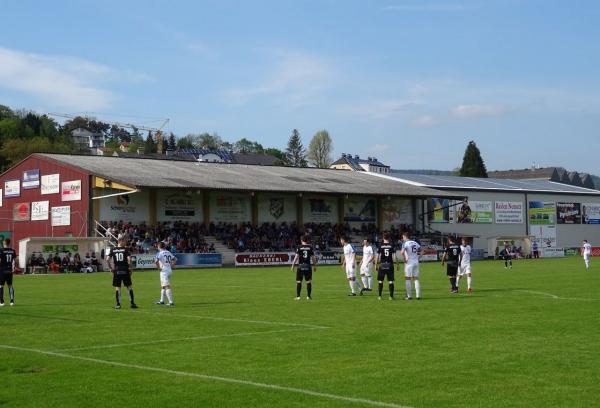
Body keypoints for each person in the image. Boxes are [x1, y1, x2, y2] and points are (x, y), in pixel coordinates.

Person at [106, 240, 137, 309]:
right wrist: (130, 268)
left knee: (118, 288)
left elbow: (107, 259)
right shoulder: (126, 249)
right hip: (125, 269)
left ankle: (118, 304)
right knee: (129, 287)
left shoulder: (112, 249)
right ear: (120, 241)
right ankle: (132, 303)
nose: (125, 243)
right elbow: (129, 259)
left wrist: (110, 268)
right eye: (124, 241)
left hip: (117, 270)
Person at [290, 235, 317, 300]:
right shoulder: (310, 247)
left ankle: (298, 296)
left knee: (299, 281)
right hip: (308, 266)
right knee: (308, 282)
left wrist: (292, 265)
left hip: (300, 266)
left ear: (301, 240)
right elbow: (313, 258)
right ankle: (308, 296)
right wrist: (315, 266)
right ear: (307, 240)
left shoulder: (299, 247)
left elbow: (296, 257)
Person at [154, 242, 177, 306]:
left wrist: (158, 268)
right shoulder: (168, 252)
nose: (157, 247)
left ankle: (171, 302)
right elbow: (175, 259)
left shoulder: (159, 253)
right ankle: (162, 301)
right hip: (169, 270)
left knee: (167, 286)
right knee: (163, 286)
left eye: (157, 246)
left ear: (159, 246)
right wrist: (172, 265)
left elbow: (156, 261)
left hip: (164, 271)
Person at [401, 232, 421, 300]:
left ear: (405, 236)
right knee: (416, 278)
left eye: (403, 237)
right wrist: (418, 258)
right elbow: (422, 251)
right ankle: (418, 296)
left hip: (409, 263)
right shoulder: (415, 243)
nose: (402, 238)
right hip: (416, 262)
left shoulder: (405, 243)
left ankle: (409, 296)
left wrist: (404, 258)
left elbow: (402, 252)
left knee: (408, 278)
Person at [376, 233, 397, 300]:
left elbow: (377, 256)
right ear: (389, 238)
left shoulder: (380, 245)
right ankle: (391, 296)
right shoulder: (391, 245)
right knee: (391, 281)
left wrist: (376, 265)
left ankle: (379, 296)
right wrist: (397, 264)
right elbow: (394, 256)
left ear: (383, 238)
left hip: (382, 264)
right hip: (390, 264)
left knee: (380, 281)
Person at [0, 239, 17, 306]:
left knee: (1, 285)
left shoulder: (1, 250)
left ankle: (2, 302)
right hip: (9, 271)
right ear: (9, 243)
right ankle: (12, 301)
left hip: (2, 270)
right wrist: (14, 268)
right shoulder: (13, 251)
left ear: (4, 243)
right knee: (10, 285)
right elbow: (14, 261)